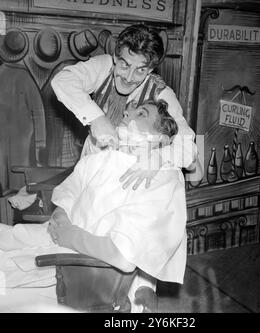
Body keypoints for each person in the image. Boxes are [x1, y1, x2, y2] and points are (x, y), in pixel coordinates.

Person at [0, 100, 187, 312]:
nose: (127, 114)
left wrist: (70, 235)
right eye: (128, 110)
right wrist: (61, 216)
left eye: (141, 114)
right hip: (56, 236)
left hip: (85, 273)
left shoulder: (163, 178)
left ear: (159, 138)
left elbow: (123, 256)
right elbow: (69, 191)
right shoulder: (102, 157)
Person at [51, 24, 197, 190]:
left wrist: (157, 158)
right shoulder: (104, 67)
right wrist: (96, 118)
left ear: (150, 70)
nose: (128, 77)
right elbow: (62, 80)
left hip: (129, 184)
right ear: (115, 57)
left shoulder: (161, 93)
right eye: (125, 65)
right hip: (92, 171)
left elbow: (188, 148)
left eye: (140, 70)